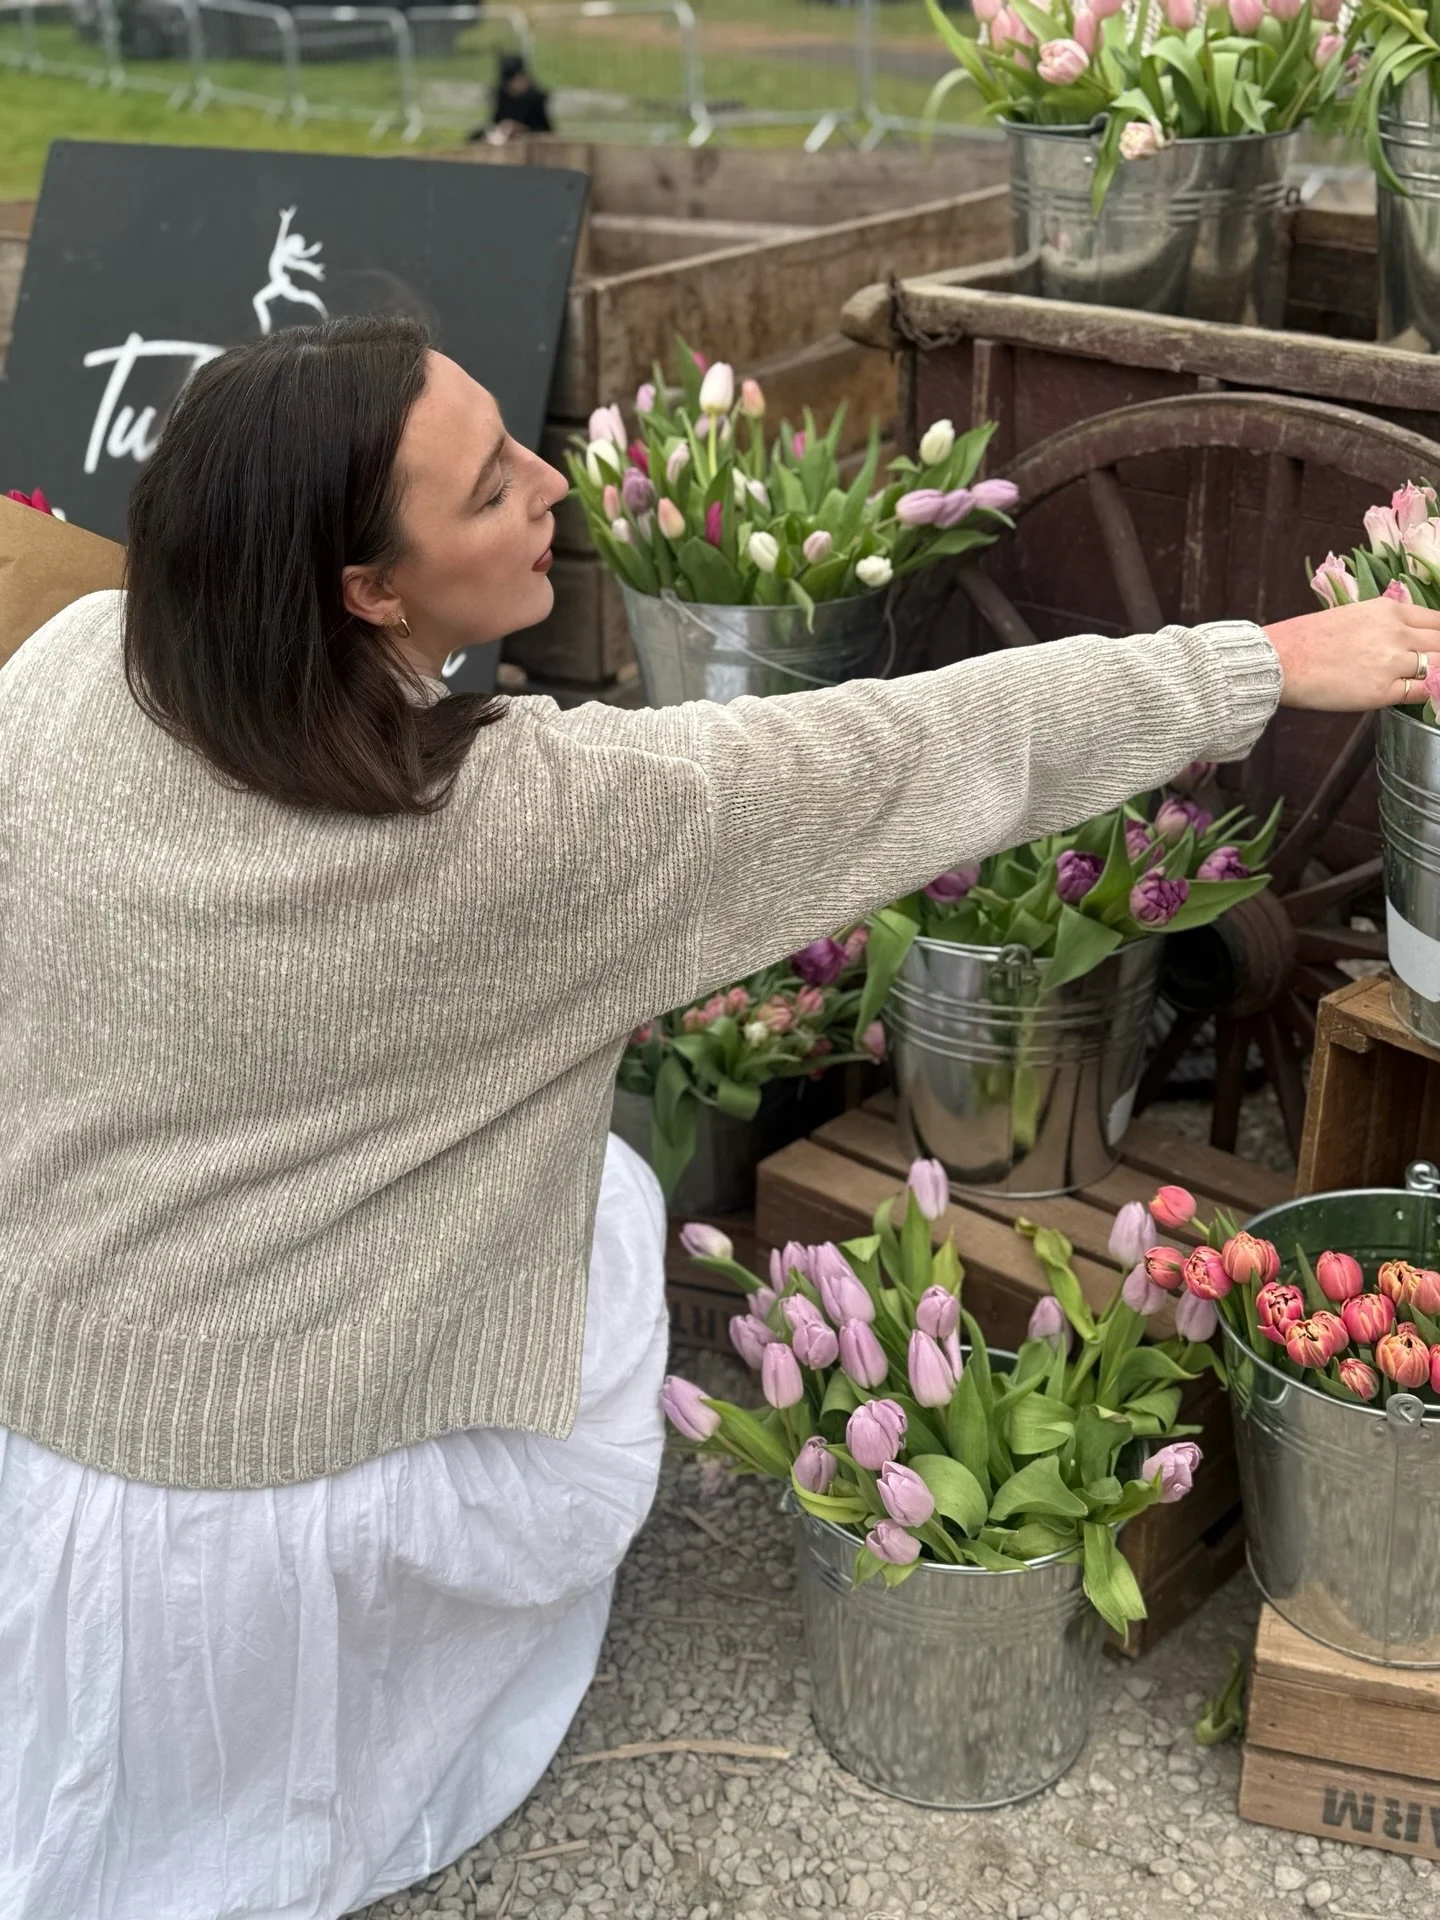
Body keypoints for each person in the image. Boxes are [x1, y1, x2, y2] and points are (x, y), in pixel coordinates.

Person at [0, 316, 1431, 1920]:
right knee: (612, 1215)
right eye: (489, 489)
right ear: (368, 592)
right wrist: (1262, 663)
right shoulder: (523, 821)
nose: (552, 481)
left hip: (53, 1440)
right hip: (303, 1494)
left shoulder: (62, 679)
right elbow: (908, 749)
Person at [471, 51, 553, 144]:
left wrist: (521, 129)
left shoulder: (535, 98)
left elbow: (545, 129)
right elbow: (495, 122)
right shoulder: (502, 96)